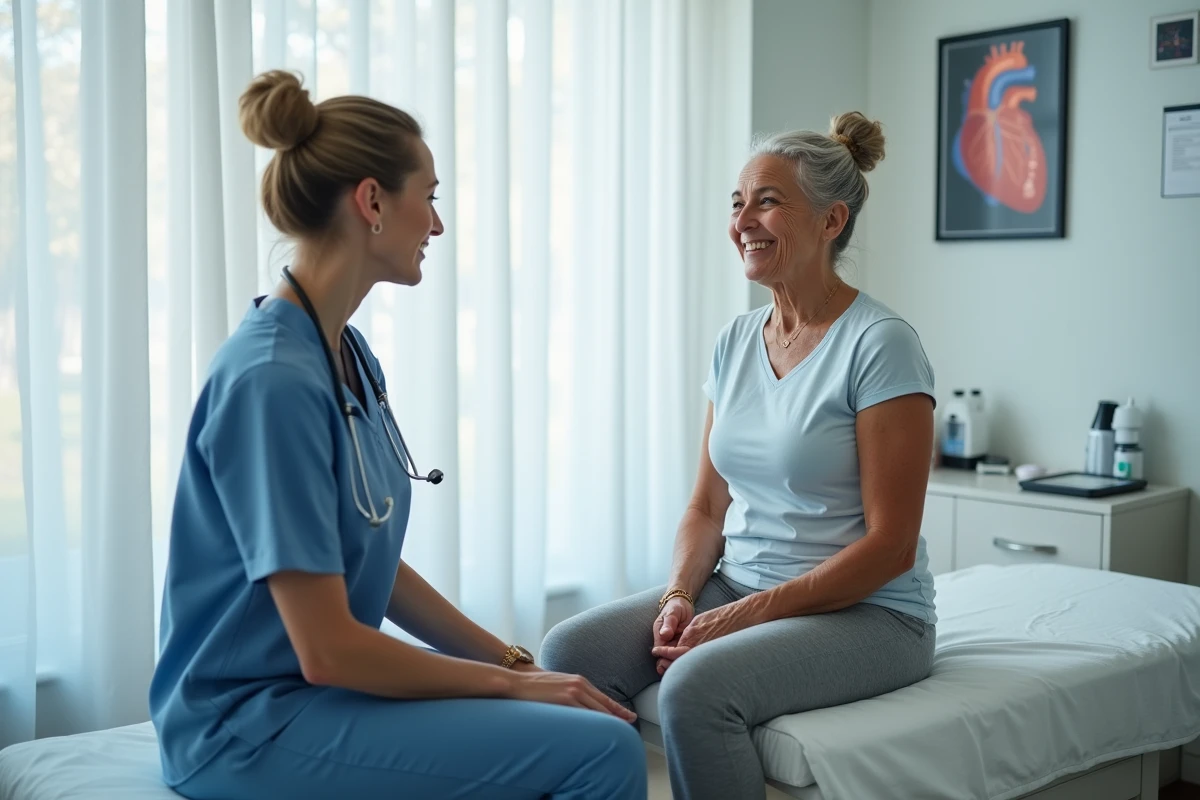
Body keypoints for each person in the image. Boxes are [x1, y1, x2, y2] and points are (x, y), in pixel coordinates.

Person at [148, 70, 646, 800]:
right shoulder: (272, 382)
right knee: (600, 753)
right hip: (243, 726)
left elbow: (368, 559)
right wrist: (506, 690)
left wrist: (515, 666)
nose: (438, 226)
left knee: (577, 720)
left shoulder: (344, 353)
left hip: (307, 697)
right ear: (373, 201)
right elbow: (326, 649)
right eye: (431, 197)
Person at [540, 112, 937, 800]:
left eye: (768, 201)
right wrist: (679, 596)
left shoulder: (880, 344)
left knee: (695, 685)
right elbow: (706, 505)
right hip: (740, 583)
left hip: (872, 615)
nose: (743, 220)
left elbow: (892, 546)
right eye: (737, 202)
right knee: (565, 654)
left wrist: (740, 619)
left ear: (831, 220)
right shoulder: (735, 341)